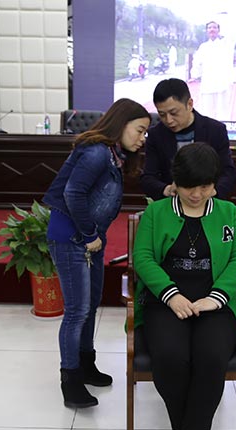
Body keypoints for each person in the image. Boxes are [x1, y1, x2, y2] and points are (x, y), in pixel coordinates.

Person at [133, 142, 236, 430]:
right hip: (166, 302)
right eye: (188, 187)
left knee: (211, 357)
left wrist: (217, 297)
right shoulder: (157, 212)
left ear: (215, 183)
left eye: (205, 186)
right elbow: (143, 258)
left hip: (215, 304)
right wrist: (171, 294)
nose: (197, 194)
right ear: (175, 182)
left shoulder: (228, 212)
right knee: (171, 357)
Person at [43, 98, 150, 408]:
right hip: (72, 238)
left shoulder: (112, 154)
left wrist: (93, 236)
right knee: (77, 311)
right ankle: (70, 380)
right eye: (139, 130)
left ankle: (86, 365)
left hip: (90, 239)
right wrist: (90, 235)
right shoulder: (96, 153)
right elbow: (72, 193)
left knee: (89, 306)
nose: (142, 138)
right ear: (121, 123)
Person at [140, 78, 236, 201]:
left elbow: (228, 173)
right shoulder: (156, 135)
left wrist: (213, 192)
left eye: (174, 113)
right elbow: (148, 177)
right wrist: (166, 189)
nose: (168, 120)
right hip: (171, 203)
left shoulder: (215, 130)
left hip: (209, 202)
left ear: (190, 104)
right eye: (162, 114)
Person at [190, 14, 236, 119]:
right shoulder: (203, 47)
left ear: (218, 30)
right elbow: (197, 62)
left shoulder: (226, 44)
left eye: (214, 27)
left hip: (222, 84)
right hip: (207, 84)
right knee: (207, 111)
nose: (212, 29)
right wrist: (194, 75)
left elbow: (233, 33)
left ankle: (223, 128)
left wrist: (227, 17)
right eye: (209, 27)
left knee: (222, 112)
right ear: (207, 31)